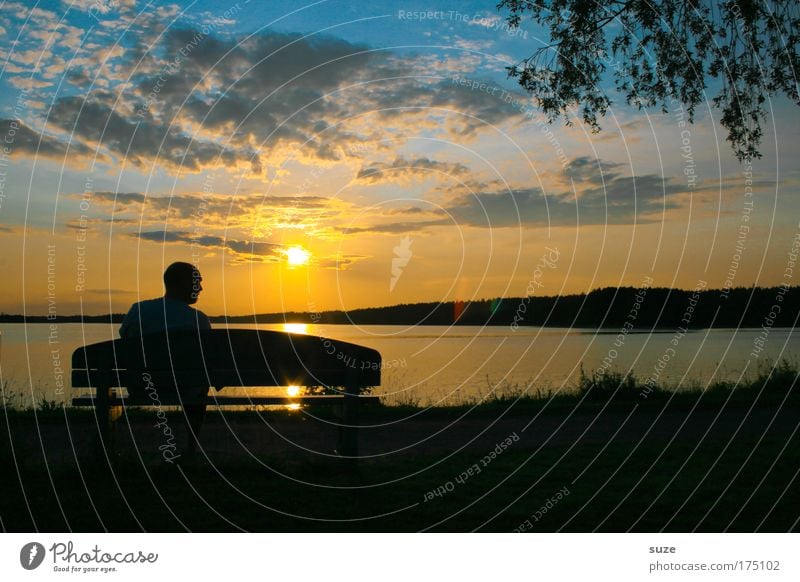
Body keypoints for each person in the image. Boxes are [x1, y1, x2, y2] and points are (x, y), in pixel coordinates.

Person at [119, 262, 211, 458]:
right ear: (181, 284)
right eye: (197, 283)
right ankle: (191, 448)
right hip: (186, 389)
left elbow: (124, 341)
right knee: (199, 384)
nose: (201, 288)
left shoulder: (138, 311)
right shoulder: (199, 320)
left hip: (142, 386)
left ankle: (108, 447)